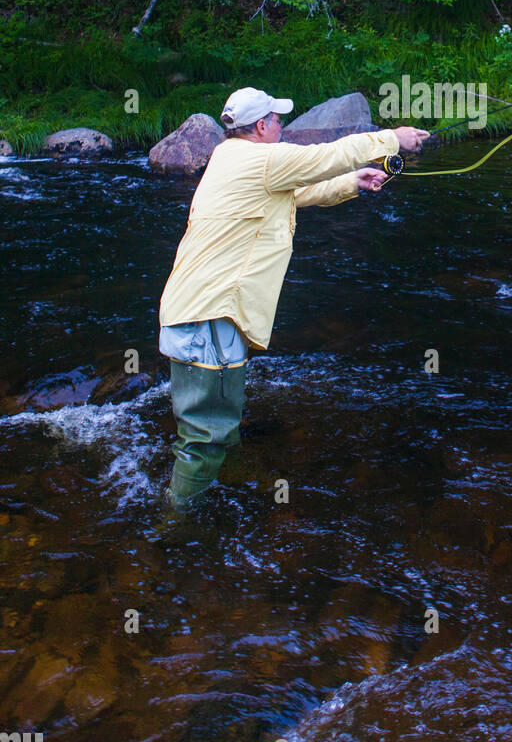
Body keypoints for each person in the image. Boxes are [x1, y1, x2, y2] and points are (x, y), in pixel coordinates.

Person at [158, 86, 428, 510]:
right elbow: (326, 156)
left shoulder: (232, 159)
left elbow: (297, 193)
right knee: (202, 437)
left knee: (223, 425)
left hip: (213, 314)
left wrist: (353, 183)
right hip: (204, 316)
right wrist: (393, 138)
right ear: (262, 126)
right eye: (279, 120)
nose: (283, 126)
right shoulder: (260, 160)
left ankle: (218, 489)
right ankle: (176, 527)